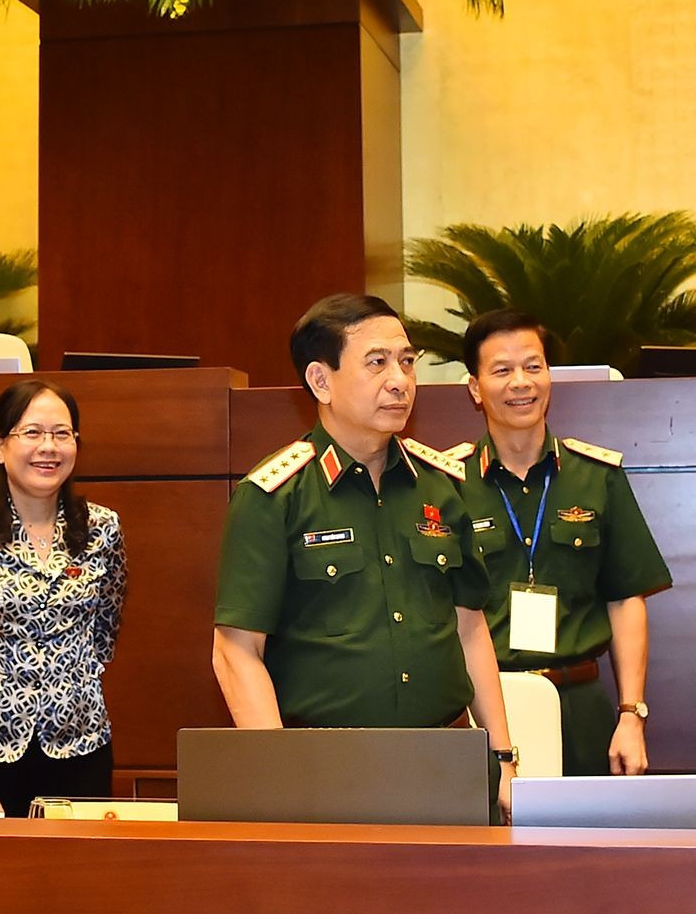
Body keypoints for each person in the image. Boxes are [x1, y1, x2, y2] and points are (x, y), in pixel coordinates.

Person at [212, 293, 516, 816]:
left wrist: (503, 758)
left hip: (448, 762)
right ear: (320, 381)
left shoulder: (442, 485)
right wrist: (277, 779)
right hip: (327, 772)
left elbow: (470, 628)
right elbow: (235, 652)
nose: (400, 380)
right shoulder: (274, 496)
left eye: (407, 362)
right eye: (377, 363)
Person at [446, 309, 672, 776]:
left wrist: (632, 714)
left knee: (583, 826)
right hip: (482, 706)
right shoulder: (446, 484)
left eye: (533, 366)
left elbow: (625, 598)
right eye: (502, 370)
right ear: (475, 388)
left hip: (578, 703)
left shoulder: (597, 476)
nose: (521, 382)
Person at [0, 380, 127, 818]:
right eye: (32, 433)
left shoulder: (102, 528)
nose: (48, 447)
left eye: (62, 434)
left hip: (80, 739)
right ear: (0, 446)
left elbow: (105, 628)